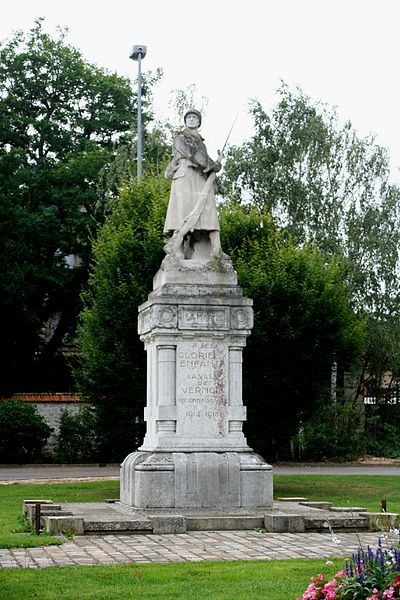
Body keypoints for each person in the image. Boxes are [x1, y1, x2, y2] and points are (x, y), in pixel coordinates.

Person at [164, 109, 222, 259]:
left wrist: (218, 183)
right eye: (188, 117)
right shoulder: (181, 137)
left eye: (194, 118)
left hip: (201, 179)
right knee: (182, 213)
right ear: (185, 121)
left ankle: (217, 250)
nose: (191, 119)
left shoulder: (201, 142)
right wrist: (212, 164)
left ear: (199, 122)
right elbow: (193, 154)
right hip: (186, 177)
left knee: (209, 212)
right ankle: (177, 250)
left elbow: (206, 163)